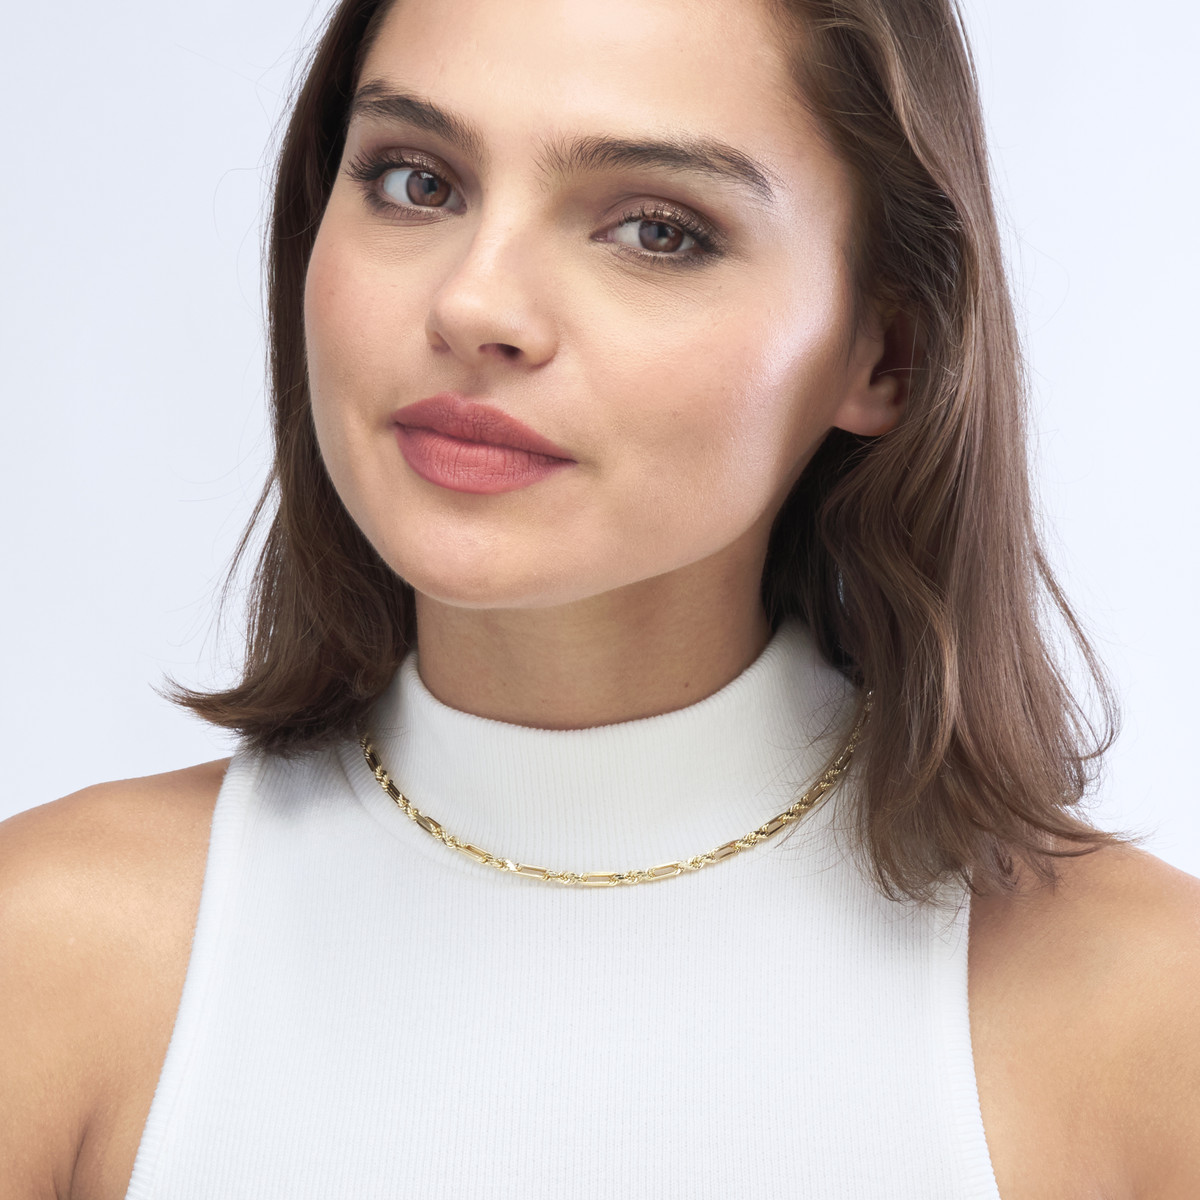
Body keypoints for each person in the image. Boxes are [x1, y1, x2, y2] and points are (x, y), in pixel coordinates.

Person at [2, 0, 1198, 1196]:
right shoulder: (47, 955)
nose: (474, 306)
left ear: (887, 350)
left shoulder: (1145, 1020)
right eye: (418, 182)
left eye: (657, 230)